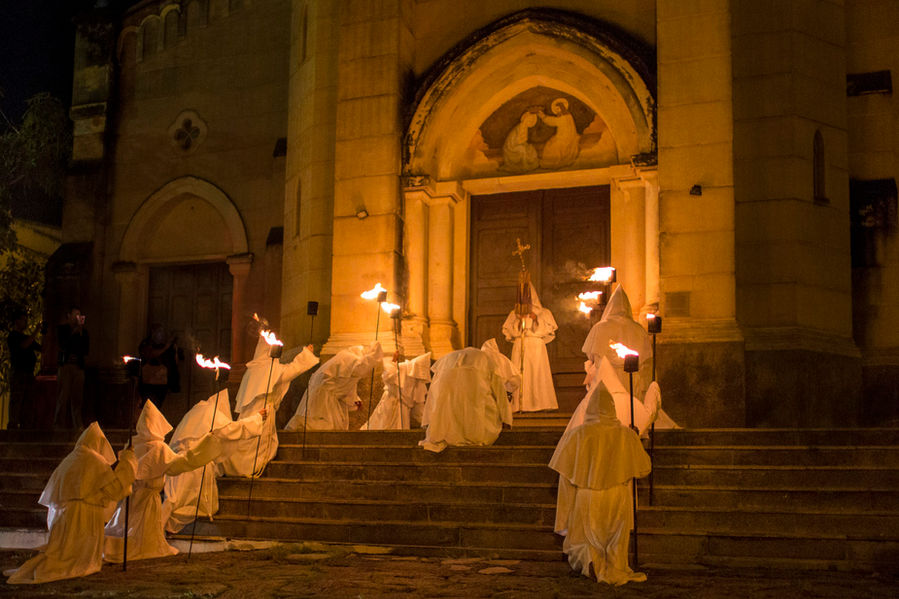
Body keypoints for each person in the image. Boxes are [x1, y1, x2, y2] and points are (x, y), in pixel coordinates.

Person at [5, 422, 136, 584]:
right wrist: (128, 462)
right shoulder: (93, 460)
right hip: (82, 514)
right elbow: (115, 488)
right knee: (73, 556)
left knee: (63, 551)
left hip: (64, 514)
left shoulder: (72, 458)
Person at [549, 379, 651, 585]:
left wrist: (564, 518)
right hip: (618, 495)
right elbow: (643, 468)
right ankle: (614, 566)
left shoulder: (576, 435)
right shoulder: (625, 434)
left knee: (585, 539)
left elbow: (566, 478)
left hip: (587, 496)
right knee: (615, 542)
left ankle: (590, 562)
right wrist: (633, 440)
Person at [104, 400, 221, 562]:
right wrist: (206, 445)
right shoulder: (159, 448)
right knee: (141, 535)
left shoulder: (132, 444)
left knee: (125, 527)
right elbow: (181, 463)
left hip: (129, 500)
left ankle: (113, 546)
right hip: (146, 500)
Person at [162, 390, 265, 532]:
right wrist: (257, 418)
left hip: (180, 465)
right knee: (190, 504)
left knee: (176, 500)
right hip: (196, 465)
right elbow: (230, 430)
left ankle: (168, 526)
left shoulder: (195, 411)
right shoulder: (209, 413)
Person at [218, 339, 318, 477]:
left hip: (248, 412)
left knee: (244, 439)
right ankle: (248, 468)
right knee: (255, 443)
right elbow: (292, 370)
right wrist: (306, 354)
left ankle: (235, 466)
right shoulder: (269, 368)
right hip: (262, 412)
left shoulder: (253, 368)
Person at [419, 347, 512, 453]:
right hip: (478, 423)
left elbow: (432, 395)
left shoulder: (445, 362)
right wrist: (506, 419)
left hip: (446, 425)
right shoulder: (485, 359)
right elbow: (499, 393)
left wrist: (427, 421)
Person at [285, 341, 382, 431]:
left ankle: (300, 423)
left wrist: (355, 401)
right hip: (324, 396)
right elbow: (363, 366)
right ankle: (298, 422)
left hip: (326, 395)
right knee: (329, 425)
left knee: (334, 426)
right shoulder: (350, 358)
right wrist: (376, 352)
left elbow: (346, 383)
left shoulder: (344, 357)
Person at [501, 283, 558, 412]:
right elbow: (510, 333)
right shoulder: (514, 313)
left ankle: (540, 404)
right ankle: (520, 405)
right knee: (520, 373)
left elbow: (548, 331)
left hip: (536, 346)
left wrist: (536, 319)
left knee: (537, 373)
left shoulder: (544, 313)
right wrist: (519, 321)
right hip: (520, 344)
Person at [364, 352, 432, 430]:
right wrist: (393, 360)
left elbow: (419, 408)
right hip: (390, 403)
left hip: (402, 409)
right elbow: (389, 375)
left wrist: (427, 424)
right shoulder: (403, 369)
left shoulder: (418, 382)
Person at [6, 310, 42, 429]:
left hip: (29, 373)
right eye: (23, 320)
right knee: (17, 399)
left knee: (28, 401)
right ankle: (13, 424)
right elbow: (24, 345)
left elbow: (41, 348)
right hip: (18, 372)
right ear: (16, 321)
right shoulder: (13, 337)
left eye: (26, 320)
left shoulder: (26, 337)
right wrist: (36, 331)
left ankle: (26, 425)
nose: (25, 323)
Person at [55, 306, 88, 429]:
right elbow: (63, 345)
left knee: (77, 398)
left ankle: (78, 425)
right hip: (66, 365)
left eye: (80, 315)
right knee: (63, 396)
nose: (78, 317)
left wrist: (80, 332)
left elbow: (85, 349)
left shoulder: (83, 332)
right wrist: (74, 333)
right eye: (75, 314)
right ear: (69, 315)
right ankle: (58, 424)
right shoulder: (63, 329)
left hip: (78, 366)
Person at [137, 324, 181, 409]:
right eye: (158, 332)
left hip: (161, 384)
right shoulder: (146, 344)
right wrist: (166, 347)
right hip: (148, 384)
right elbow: (150, 354)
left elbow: (174, 363)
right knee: (149, 407)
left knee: (157, 408)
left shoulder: (165, 346)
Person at [538, 97, 580, 169]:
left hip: (564, 139)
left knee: (550, 146)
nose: (557, 111)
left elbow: (552, 121)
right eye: (556, 109)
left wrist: (543, 116)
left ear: (562, 108)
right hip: (566, 137)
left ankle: (552, 162)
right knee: (551, 141)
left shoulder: (563, 118)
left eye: (558, 109)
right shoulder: (568, 116)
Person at [480, 338, 521, 407]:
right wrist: (509, 389)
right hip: (502, 391)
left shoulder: (480, 358)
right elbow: (515, 376)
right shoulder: (502, 358)